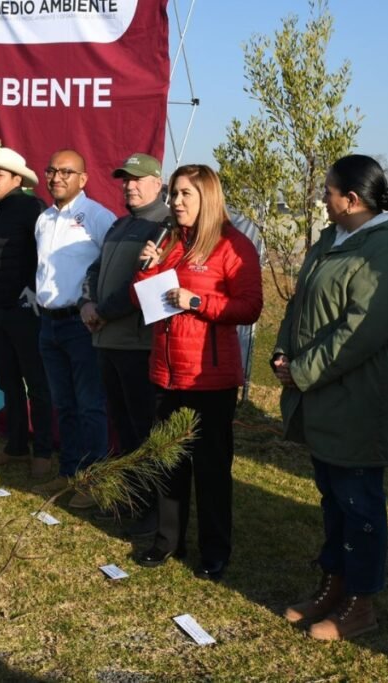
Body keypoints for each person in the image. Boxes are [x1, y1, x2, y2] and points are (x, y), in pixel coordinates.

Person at [273, 154, 388, 641]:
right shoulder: (332, 239)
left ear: (351, 199)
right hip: (325, 394)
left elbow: (363, 329)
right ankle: (332, 585)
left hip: (361, 394)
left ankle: (361, 600)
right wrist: (282, 350)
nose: (323, 200)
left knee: (359, 502)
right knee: (333, 497)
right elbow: (300, 302)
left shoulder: (387, 248)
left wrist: (304, 370)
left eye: (329, 192)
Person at [133, 164, 263, 581]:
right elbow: (147, 302)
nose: (176, 202)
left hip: (209, 377)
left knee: (210, 467)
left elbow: (250, 307)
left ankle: (214, 550)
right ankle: (168, 540)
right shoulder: (170, 241)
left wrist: (197, 303)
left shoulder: (233, 246)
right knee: (169, 462)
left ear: (207, 197)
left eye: (185, 194)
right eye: (173, 194)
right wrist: (147, 267)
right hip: (165, 372)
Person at [79, 153, 169, 535]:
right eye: (124, 180)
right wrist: (86, 302)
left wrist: (103, 310)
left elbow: (144, 284)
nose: (128, 185)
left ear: (156, 182)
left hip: (137, 344)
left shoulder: (166, 225)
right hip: (107, 341)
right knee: (123, 428)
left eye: (136, 179)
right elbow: (95, 269)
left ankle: (153, 511)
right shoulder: (119, 224)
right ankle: (130, 497)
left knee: (143, 429)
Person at [31, 149, 116, 508]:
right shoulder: (44, 220)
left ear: (83, 179)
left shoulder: (98, 217)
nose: (57, 177)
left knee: (89, 406)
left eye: (67, 172)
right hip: (48, 324)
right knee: (63, 405)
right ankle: (68, 473)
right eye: (52, 171)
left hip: (81, 326)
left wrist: (99, 308)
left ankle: (94, 482)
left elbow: (113, 267)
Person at [0, 146, 54, 478]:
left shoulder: (34, 208)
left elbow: (49, 253)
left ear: (16, 179)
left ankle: (44, 450)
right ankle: (16, 446)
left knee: (37, 382)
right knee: (8, 382)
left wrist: (35, 289)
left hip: (27, 312)